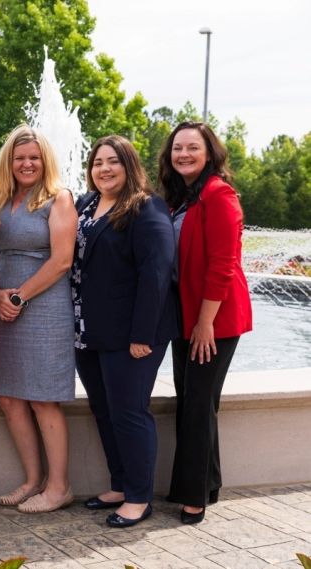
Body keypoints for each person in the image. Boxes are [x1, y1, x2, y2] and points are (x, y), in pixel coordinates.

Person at [72, 135, 177, 528]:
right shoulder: (86, 204)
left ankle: (138, 497)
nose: (104, 169)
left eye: (113, 161)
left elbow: (156, 272)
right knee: (104, 410)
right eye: (98, 162)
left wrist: (142, 336)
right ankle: (119, 484)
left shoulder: (146, 207)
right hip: (89, 330)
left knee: (129, 413)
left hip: (131, 334)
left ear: (129, 165)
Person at [159, 122, 253, 525]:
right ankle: (207, 485)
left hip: (214, 320)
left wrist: (204, 323)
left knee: (196, 405)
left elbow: (223, 266)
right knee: (196, 401)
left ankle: (193, 496)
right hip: (190, 317)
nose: (183, 154)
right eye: (177, 148)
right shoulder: (182, 198)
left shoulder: (219, 195)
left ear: (209, 153)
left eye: (192, 148)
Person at [0, 125, 77, 514]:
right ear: (9, 161)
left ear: (45, 161)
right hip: (3, 306)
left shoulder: (58, 199)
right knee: (8, 397)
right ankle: (31, 479)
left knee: (42, 398)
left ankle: (59, 487)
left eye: (34, 157)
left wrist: (19, 296)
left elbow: (62, 261)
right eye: (20, 157)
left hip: (44, 309)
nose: (27, 163)